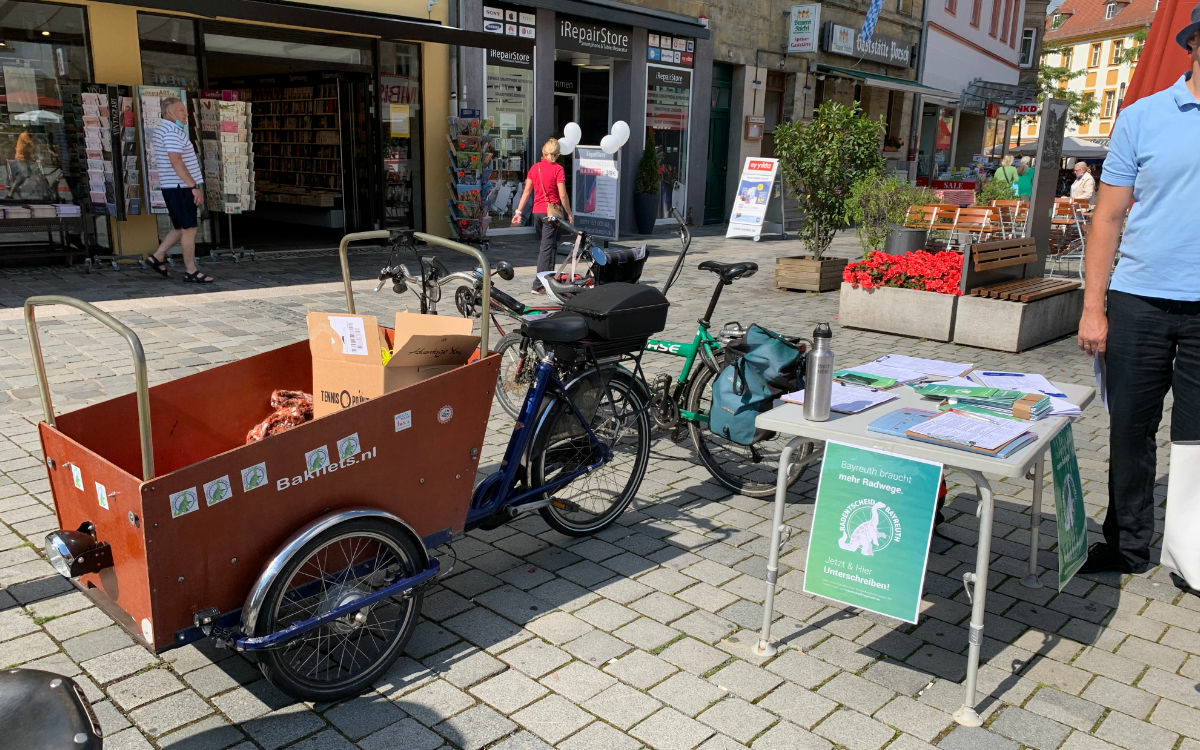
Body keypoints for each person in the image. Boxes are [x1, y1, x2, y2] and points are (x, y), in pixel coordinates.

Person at [1075, 4, 1200, 576]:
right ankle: (1126, 545)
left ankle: (1190, 556)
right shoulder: (1143, 116)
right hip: (1139, 298)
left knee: (1196, 443)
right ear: (1194, 45)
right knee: (1129, 430)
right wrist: (1093, 308)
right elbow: (1106, 219)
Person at [145, 97, 211, 283]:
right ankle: (191, 270)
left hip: (173, 186)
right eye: (181, 110)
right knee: (190, 229)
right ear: (169, 112)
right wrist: (193, 186)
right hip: (180, 187)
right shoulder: (171, 132)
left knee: (180, 227)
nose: (186, 113)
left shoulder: (165, 129)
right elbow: (176, 161)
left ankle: (157, 256)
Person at [511, 138, 572, 294]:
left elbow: (526, 192)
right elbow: (563, 195)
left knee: (550, 246)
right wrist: (569, 213)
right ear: (557, 154)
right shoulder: (558, 169)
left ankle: (548, 281)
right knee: (546, 248)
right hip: (551, 213)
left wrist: (518, 212)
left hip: (537, 213)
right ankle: (538, 285)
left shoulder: (535, 168)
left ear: (543, 152)